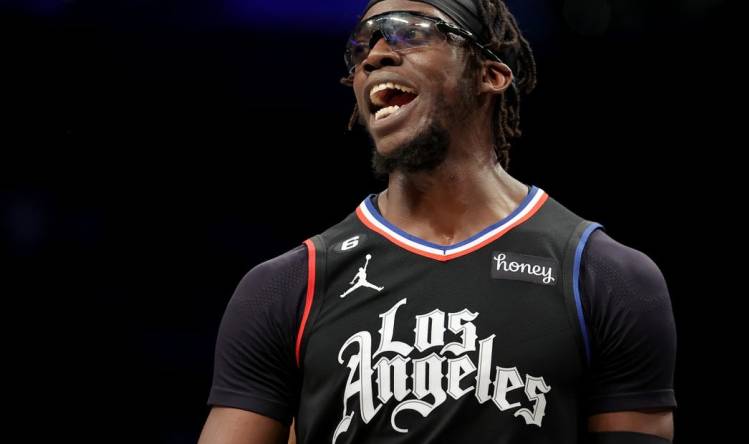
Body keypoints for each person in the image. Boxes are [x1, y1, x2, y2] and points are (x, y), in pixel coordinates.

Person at [198, 1, 677, 443]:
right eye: (362, 46)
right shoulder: (286, 287)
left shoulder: (606, 276)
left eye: (408, 33)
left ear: (489, 75)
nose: (375, 56)